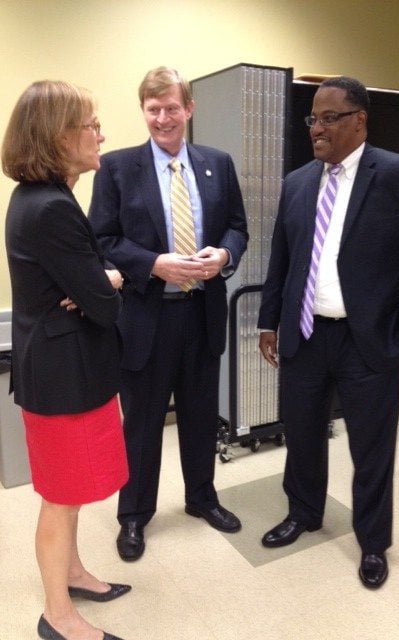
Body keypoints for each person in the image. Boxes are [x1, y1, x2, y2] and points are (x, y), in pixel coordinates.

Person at [257, 76, 399, 588]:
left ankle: (373, 543)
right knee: (302, 433)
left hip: (367, 339)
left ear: (359, 120)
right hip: (305, 334)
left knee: (372, 447)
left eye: (329, 118)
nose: (317, 129)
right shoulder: (298, 182)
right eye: (313, 119)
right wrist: (268, 320)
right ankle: (303, 512)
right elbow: (281, 258)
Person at [89, 66, 248, 561]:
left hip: (201, 314)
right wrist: (154, 263)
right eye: (153, 109)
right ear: (144, 112)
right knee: (141, 422)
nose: (163, 118)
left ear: (189, 109)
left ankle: (202, 497)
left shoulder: (217, 164)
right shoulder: (117, 168)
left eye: (172, 108)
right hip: (145, 318)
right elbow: (103, 241)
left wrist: (223, 256)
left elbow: (237, 228)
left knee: (201, 417)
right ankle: (134, 515)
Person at [2, 81, 130, 640]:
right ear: (59, 137)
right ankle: (57, 615)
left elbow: (89, 287)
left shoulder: (46, 198)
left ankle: (74, 573)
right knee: (60, 497)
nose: (100, 133)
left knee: (73, 490)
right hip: (61, 373)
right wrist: (110, 281)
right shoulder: (50, 206)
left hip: (66, 364)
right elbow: (101, 303)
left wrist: (95, 282)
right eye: (91, 124)